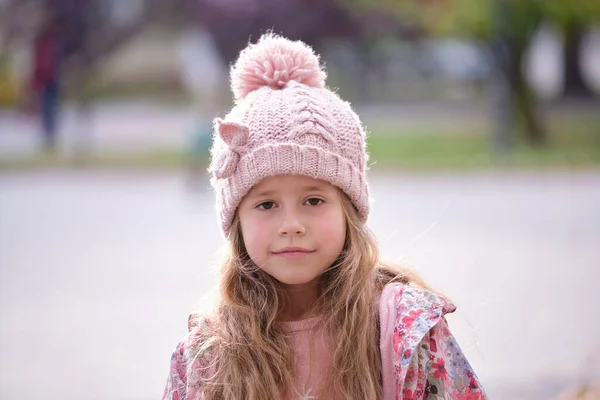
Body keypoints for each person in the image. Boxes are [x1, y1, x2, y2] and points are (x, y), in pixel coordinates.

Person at [162, 33, 487, 400]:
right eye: (266, 205)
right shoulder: (208, 354)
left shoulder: (404, 331)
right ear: (237, 223)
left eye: (314, 200)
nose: (291, 225)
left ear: (349, 210)